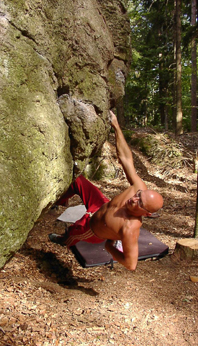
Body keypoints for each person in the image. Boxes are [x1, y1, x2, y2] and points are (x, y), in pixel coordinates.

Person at [49, 111, 163, 271]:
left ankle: (63, 241)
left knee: (73, 233)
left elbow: (131, 264)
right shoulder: (139, 188)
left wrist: (110, 247)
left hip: (91, 228)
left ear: (147, 214)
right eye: (138, 196)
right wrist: (116, 126)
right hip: (100, 204)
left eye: (140, 203)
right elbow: (126, 159)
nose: (134, 199)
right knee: (77, 180)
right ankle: (58, 201)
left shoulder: (130, 229)